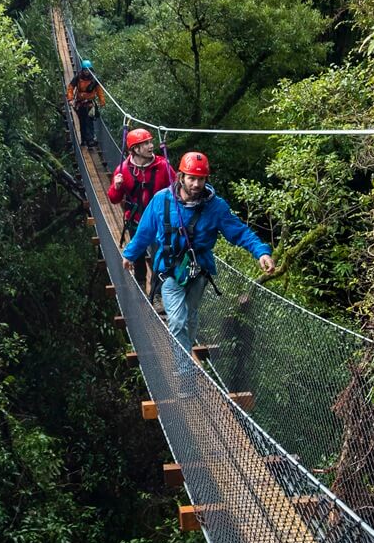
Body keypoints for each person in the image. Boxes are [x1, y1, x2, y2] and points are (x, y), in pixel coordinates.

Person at [121, 151, 275, 374]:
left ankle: (186, 348)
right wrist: (130, 254)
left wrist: (261, 252)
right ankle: (186, 371)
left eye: (200, 179)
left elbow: (239, 231)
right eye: (191, 178)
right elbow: (145, 231)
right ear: (181, 177)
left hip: (198, 269)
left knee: (191, 316)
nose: (196, 184)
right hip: (169, 270)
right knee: (177, 320)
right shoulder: (162, 200)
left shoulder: (216, 207)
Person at [107, 128, 173, 299]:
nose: (151, 146)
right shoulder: (123, 170)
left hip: (159, 221)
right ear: (135, 149)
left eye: (150, 142)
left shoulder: (162, 166)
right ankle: (141, 283)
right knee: (138, 254)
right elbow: (113, 199)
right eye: (146, 143)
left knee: (160, 255)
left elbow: (175, 190)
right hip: (136, 219)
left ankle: (157, 292)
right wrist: (117, 186)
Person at [66, 60, 105, 148]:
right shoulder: (78, 77)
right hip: (80, 104)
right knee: (82, 121)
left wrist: (102, 101)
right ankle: (84, 140)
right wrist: (70, 99)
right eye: (85, 70)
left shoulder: (94, 80)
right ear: (83, 70)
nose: (86, 72)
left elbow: (99, 91)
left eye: (88, 70)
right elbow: (70, 88)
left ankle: (90, 140)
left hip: (90, 104)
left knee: (89, 121)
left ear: (90, 69)